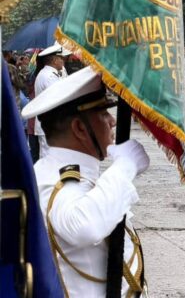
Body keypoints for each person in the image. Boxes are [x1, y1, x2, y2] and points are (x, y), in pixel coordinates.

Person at [23, 67, 149, 296]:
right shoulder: (55, 180)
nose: (112, 121)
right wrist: (124, 168)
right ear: (80, 128)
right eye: (103, 114)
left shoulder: (63, 170)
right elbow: (83, 225)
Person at [33, 43, 72, 161]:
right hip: (48, 123)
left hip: (51, 123)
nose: (63, 60)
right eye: (61, 58)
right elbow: (59, 97)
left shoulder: (53, 73)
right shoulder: (49, 76)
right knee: (48, 159)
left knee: (53, 158)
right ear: (55, 60)